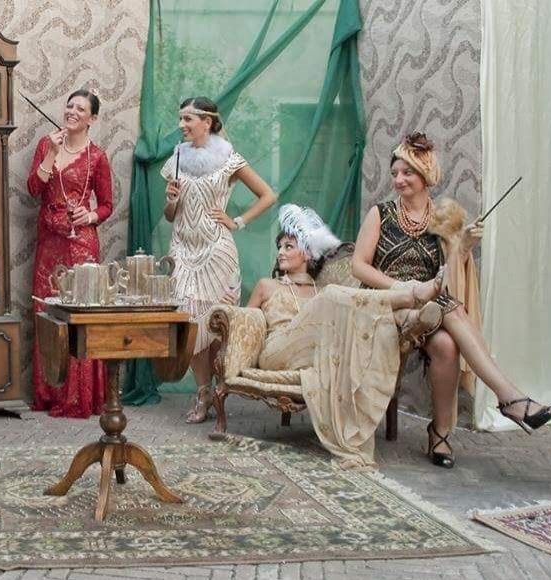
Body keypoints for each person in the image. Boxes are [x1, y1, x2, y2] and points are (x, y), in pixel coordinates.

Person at [351, 133, 551, 467]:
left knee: (446, 345)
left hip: (430, 307)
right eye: (395, 173)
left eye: (407, 172)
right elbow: (359, 266)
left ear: (425, 175)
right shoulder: (381, 213)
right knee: (450, 309)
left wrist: (464, 248)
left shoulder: (444, 218)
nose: (399, 179)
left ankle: (441, 434)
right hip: (384, 302)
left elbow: (449, 278)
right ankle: (509, 397)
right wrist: (402, 287)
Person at [241, 205, 445, 469]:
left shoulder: (320, 291)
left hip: (311, 355)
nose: (280, 252)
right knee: (333, 297)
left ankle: (406, 319)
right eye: (280, 247)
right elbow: (246, 320)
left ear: (307, 252)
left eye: (288, 246)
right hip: (275, 353)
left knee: (350, 313)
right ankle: (410, 298)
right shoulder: (267, 286)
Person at [160, 97, 277, 423]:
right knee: (190, 323)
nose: (181, 125)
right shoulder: (177, 158)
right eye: (180, 118)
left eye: (188, 119)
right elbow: (169, 215)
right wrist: (171, 200)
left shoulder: (229, 159)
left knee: (214, 324)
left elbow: (268, 195)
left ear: (207, 122)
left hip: (217, 252)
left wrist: (237, 221)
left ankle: (216, 391)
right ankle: (203, 392)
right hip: (182, 251)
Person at [27, 89, 114, 418]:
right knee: (48, 314)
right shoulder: (45, 145)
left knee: (79, 316)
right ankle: (50, 392)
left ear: (92, 118)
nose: (72, 112)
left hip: (81, 244)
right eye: (69, 106)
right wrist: (51, 154)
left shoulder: (97, 157)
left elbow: (106, 205)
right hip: (49, 242)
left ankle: (79, 397)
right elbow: (34, 189)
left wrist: (89, 216)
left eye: (80, 109)